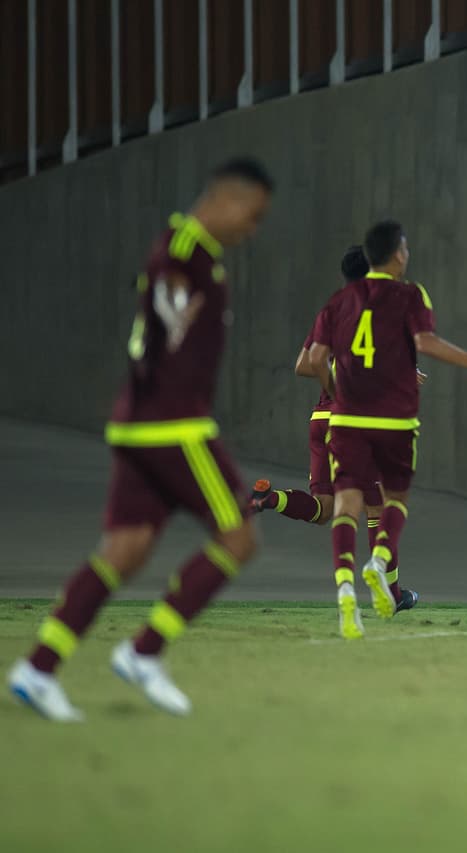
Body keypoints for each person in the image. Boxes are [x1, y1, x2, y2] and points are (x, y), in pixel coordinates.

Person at [8, 158, 274, 721]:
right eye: (253, 217)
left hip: (135, 423)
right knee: (239, 537)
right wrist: (175, 312)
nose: (253, 230)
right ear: (227, 201)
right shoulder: (186, 250)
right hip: (173, 424)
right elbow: (170, 302)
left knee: (122, 551)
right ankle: (145, 651)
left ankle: (38, 668)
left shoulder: (184, 247)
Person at [308, 220, 467, 639]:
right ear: (397, 255)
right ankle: (380, 562)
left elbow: (317, 358)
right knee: (395, 497)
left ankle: (345, 595)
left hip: (348, 419)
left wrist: (340, 391)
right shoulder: (410, 295)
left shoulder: (338, 301)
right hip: (394, 418)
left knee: (345, 505)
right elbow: (425, 344)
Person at [249, 245, 420, 613]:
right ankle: (393, 592)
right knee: (380, 509)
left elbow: (302, 364)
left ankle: (269, 499)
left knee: (325, 509)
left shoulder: (333, 311)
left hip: (320, 422)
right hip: (354, 427)